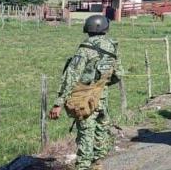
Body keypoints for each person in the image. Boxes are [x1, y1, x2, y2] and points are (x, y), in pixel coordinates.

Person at [49, 15, 123, 170]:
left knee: (86, 132)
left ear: (87, 29)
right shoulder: (112, 46)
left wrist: (59, 103)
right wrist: (102, 85)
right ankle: (98, 162)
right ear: (105, 28)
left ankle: (83, 165)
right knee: (101, 129)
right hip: (102, 96)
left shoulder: (84, 49)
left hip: (85, 97)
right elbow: (118, 74)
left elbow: (71, 75)